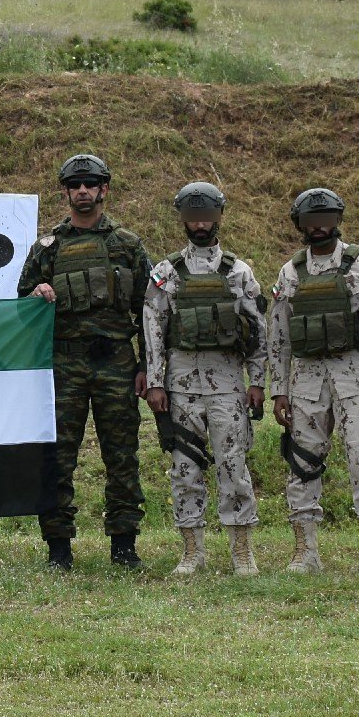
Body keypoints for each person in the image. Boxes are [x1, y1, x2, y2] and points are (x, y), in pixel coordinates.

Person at [16, 154, 153, 571]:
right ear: (66, 192)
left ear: (103, 189)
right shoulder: (48, 249)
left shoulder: (127, 245)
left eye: (90, 184)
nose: (82, 191)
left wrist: (148, 367)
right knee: (57, 458)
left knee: (122, 456)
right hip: (63, 365)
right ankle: (58, 547)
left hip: (115, 363)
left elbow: (149, 311)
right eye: (75, 185)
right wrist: (35, 293)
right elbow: (20, 309)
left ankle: (124, 545)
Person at [264, 187, 359, 576]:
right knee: (302, 460)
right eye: (309, 221)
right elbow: (278, 335)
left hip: (355, 373)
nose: (318, 227)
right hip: (306, 378)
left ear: (337, 220)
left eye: (325, 219)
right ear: (299, 225)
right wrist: (279, 390)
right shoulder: (291, 272)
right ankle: (305, 550)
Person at [143, 183, 268, 577]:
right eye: (193, 217)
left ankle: (241, 551)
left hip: (228, 386)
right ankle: (192, 551)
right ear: (182, 219)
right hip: (181, 386)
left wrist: (258, 382)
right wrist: (155, 382)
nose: (200, 225)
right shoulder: (166, 272)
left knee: (233, 465)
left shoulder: (238, 272)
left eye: (207, 217)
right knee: (185, 468)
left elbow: (258, 331)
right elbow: (153, 329)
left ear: (218, 217)